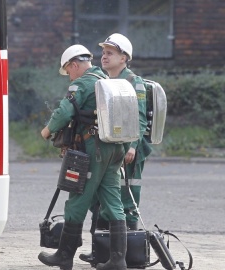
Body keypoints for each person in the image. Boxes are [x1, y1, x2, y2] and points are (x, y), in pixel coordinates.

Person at [38, 44, 127, 270]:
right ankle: (118, 260)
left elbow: (64, 112)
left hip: (93, 148)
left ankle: (64, 256)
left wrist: (47, 130)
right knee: (113, 201)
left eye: (68, 71)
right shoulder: (107, 79)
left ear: (75, 65)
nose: (69, 76)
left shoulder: (83, 83)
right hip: (115, 148)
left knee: (77, 198)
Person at [79, 33, 152, 263]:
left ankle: (128, 255)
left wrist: (131, 147)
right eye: (103, 52)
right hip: (108, 150)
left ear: (124, 57)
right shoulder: (103, 81)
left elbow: (139, 119)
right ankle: (100, 251)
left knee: (126, 201)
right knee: (100, 199)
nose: (104, 56)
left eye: (110, 53)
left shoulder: (133, 82)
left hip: (129, 152)